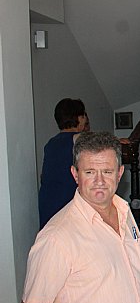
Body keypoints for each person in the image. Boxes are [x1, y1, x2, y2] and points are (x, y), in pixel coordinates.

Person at [20, 132, 140, 303]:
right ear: (75, 174)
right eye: (89, 172)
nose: (99, 181)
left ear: (120, 173)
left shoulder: (125, 212)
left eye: (107, 172)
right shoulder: (57, 236)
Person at [38, 98, 88, 229]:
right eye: (83, 116)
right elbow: (100, 143)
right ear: (78, 118)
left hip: (48, 199)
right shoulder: (77, 138)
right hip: (66, 199)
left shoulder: (51, 143)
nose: (85, 120)